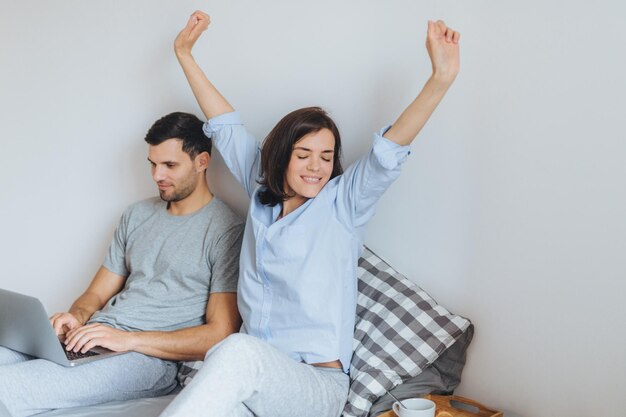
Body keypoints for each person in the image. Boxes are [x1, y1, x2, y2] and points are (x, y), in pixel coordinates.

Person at [160, 11, 460, 417]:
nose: (316, 167)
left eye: (326, 156)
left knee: (235, 349)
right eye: (303, 155)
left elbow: (389, 151)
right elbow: (224, 124)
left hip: (315, 386)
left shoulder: (343, 204)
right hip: (258, 385)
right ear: (282, 156)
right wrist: (184, 54)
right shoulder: (260, 188)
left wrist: (439, 80)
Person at [0, 112, 244, 417]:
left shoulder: (226, 229)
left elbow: (220, 333)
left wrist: (127, 339)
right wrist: (76, 317)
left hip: (147, 359)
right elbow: (96, 295)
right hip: (94, 339)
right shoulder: (137, 215)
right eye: (153, 164)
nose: (157, 176)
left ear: (202, 161)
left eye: (170, 165)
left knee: (6, 386)